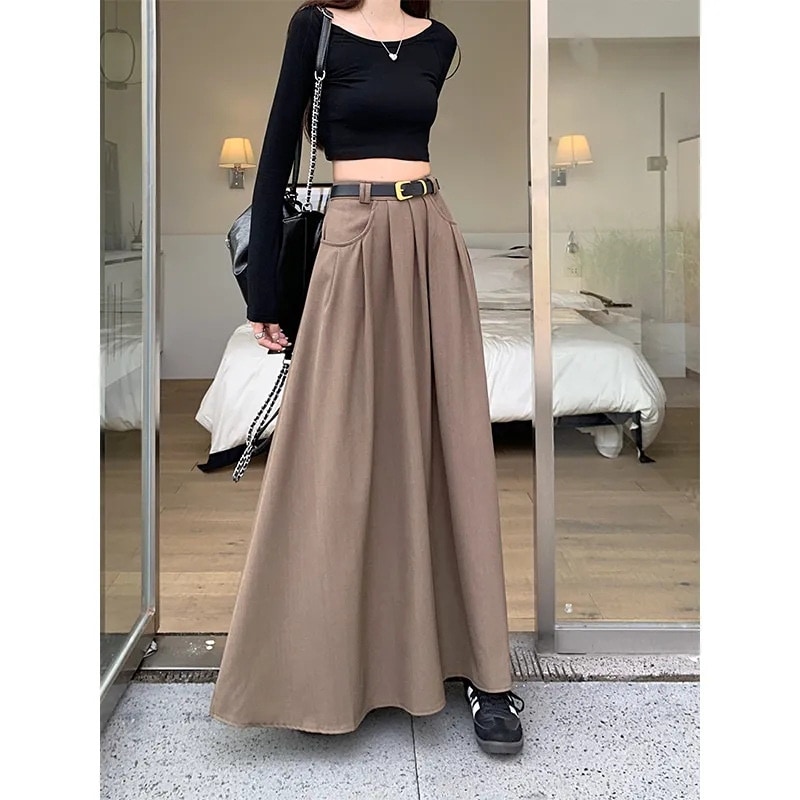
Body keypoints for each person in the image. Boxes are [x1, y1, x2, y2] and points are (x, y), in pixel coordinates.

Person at [210, 0, 525, 755]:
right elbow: (277, 153)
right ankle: (317, 669)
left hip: (431, 237)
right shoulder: (315, 26)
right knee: (335, 452)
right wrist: (263, 295)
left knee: (450, 449)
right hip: (351, 235)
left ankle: (485, 672)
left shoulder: (439, 40)